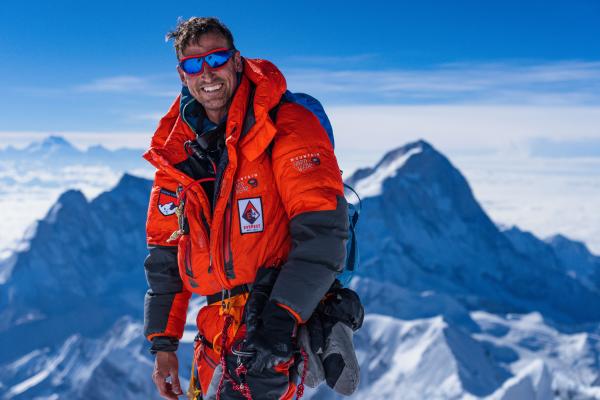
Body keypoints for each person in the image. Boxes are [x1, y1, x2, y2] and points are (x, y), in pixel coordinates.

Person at [143, 16, 348, 400]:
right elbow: (166, 252)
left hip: (271, 322)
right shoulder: (177, 153)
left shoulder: (287, 125)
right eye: (193, 64)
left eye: (216, 58)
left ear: (237, 61)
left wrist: (280, 319)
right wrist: (164, 344)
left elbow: (322, 233)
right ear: (182, 74)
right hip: (213, 334)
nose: (207, 73)